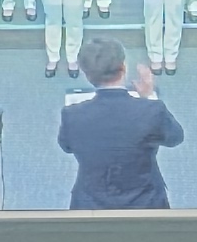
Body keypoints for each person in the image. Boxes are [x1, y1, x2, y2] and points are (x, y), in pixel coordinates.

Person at [60, 34, 185, 209]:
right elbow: (175, 138)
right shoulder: (151, 111)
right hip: (146, 204)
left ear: (87, 75)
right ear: (123, 67)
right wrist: (148, 96)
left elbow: (66, 146)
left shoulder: (72, 115)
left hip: (91, 207)